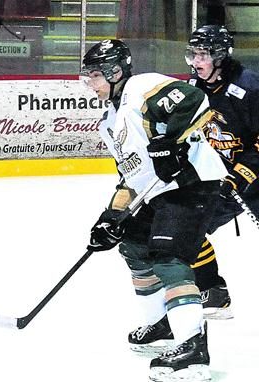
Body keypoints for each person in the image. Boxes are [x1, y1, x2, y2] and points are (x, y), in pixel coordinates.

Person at [81, 39, 226, 382]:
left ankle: (193, 348)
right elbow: (130, 179)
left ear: (116, 72)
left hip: (194, 184)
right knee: (133, 244)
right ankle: (162, 323)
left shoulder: (141, 87)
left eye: (94, 76)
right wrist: (110, 217)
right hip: (159, 193)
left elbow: (195, 101)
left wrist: (168, 145)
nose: (90, 83)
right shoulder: (109, 122)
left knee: (168, 256)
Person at [184, 25, 259, 320]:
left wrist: (242, 174)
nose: (196, 61)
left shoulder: (250, 88)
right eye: (193, 54)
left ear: (220, 56)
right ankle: (213, 291)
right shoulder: (195, 88)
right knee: (187, 227)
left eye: (203, 55)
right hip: (225, 181)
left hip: (250, 175)